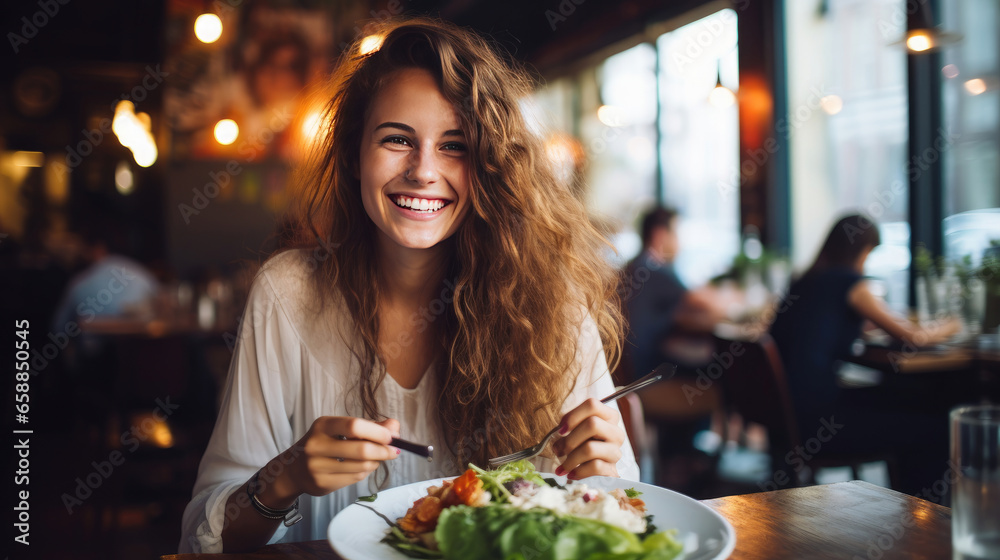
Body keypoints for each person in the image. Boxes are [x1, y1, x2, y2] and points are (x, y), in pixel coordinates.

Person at [180, 19, 637, 553]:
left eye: (454, 146)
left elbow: (621, 510)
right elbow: (204, 541)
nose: (423, 170)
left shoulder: (549, 301)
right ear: (354, 156)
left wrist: (599, 474)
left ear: (491, 168)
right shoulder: (286, 293)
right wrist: (284, 478)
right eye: (397, 139)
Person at [769, 213, 960, 494]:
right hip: (820, 423)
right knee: (934, 427)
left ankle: (911, 511)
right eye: (869, 253)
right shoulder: (851, 282)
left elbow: (817, 327)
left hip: (790, 420)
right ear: (862, 250)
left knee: (906, 401)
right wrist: (953, 324)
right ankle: (925, 519)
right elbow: (913, 336)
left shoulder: (805, 281)